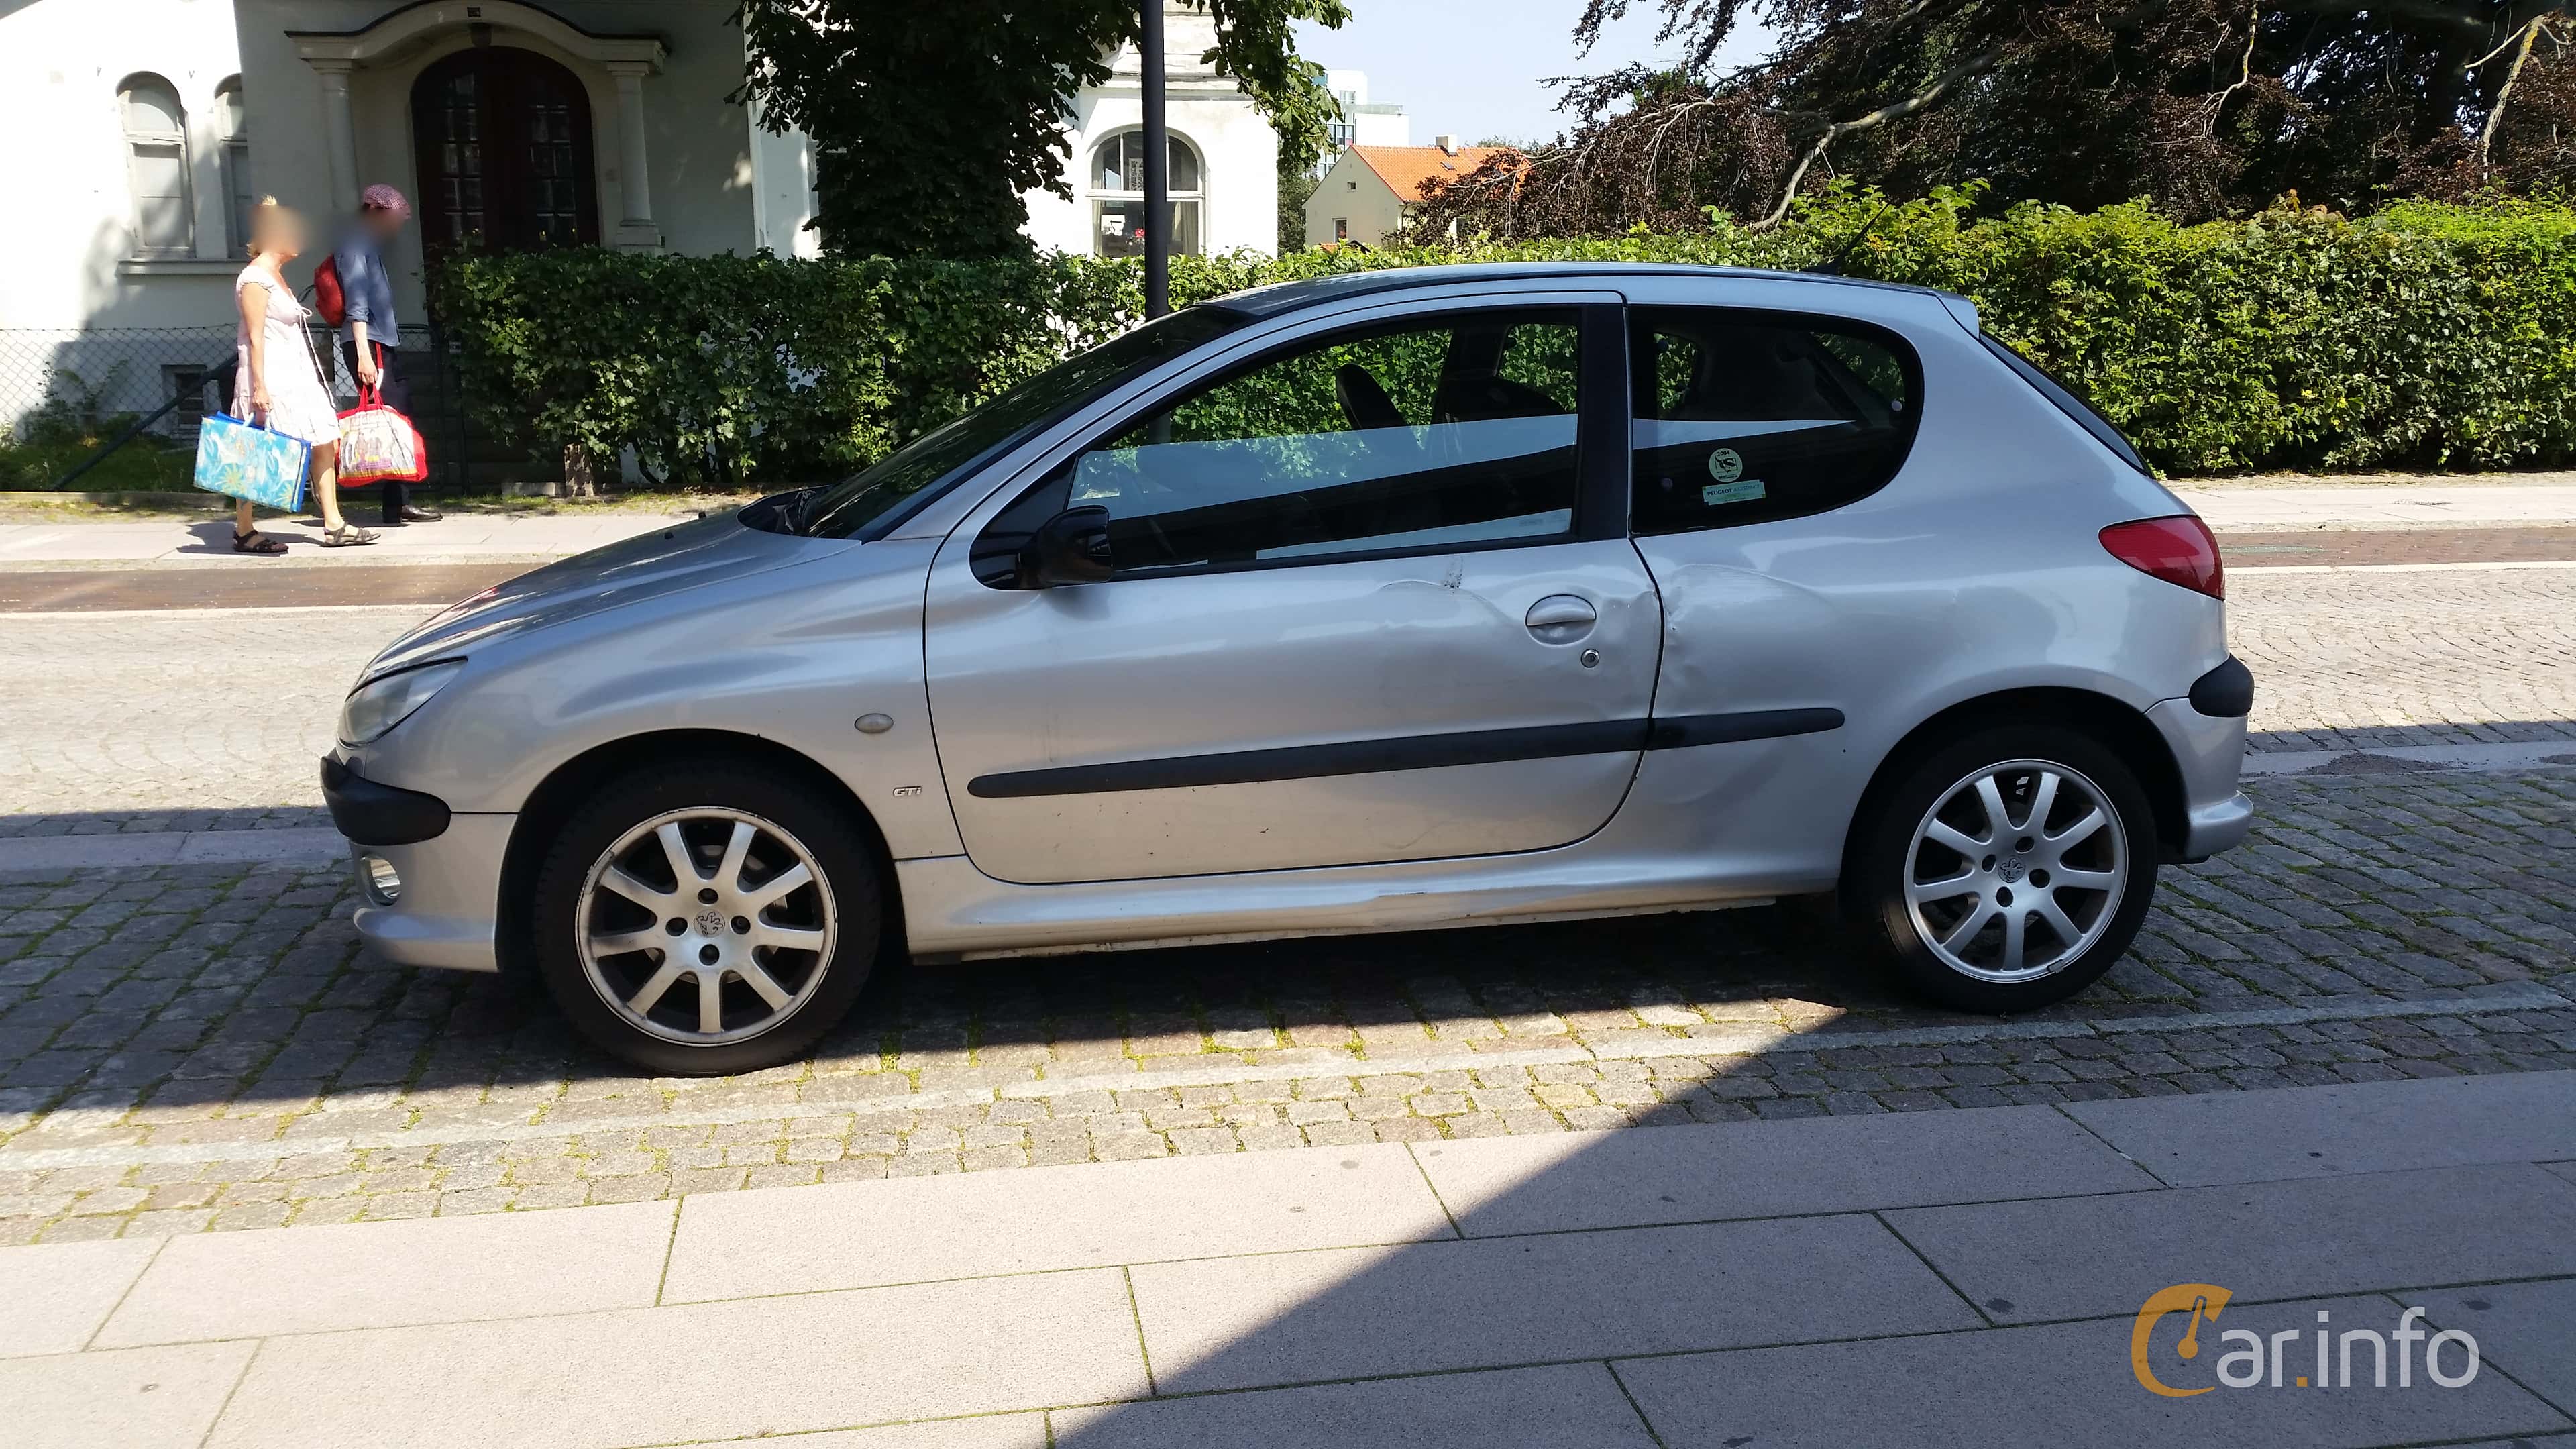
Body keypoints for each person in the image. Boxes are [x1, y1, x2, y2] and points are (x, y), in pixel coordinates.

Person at [233, 198, 376, 551]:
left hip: (298, 379)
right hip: (271, 380)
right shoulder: (253, 279)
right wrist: (260, 386)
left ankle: (334, 524)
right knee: (255, 451)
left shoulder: (277, 279)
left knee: (324, 440)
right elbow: (254, 337)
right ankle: (244, 530)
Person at [335, 184, 441, 525]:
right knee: (388, 420)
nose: (396, 227)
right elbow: (356, 304)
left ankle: (399, 502)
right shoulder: (354, 244)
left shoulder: (366, 244)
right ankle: (396, 505)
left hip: (382, 342)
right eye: (393, 219)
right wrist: (365, 355)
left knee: (399, 416)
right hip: (371, 344)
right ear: (375, 212)